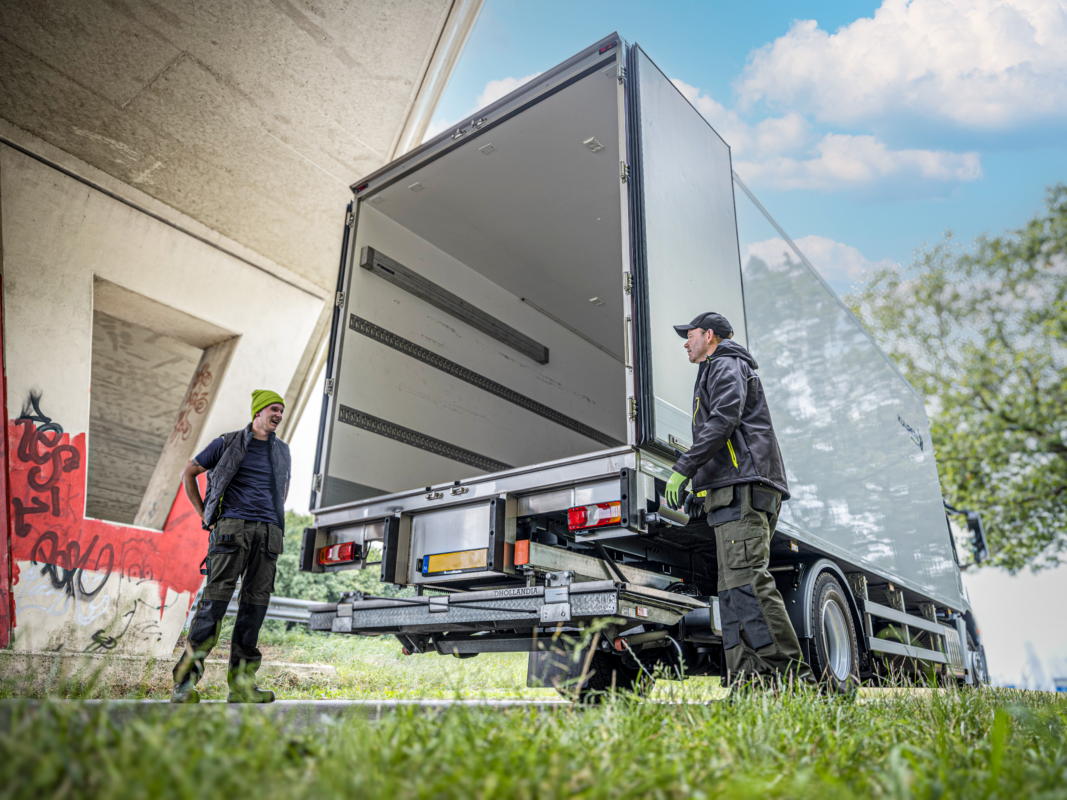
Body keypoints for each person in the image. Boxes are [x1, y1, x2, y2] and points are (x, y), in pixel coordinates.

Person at [663, 312, 816, 690]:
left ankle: (796, 684)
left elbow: (724, 417)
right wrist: (701, 485)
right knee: (732, 594)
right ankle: (749, 688)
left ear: (710, 336)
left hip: (743, 489)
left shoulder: (727, 363)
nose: (686, 341)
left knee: (747, 584)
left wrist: (685, 467)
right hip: (732, 491)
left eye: (691, 335)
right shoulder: (718, 367)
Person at [171, 390, 291, 704]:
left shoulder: (282, 452)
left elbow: (283, 488)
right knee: (213, 607)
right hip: (230, 531)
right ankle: (184, 685)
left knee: (254, 610)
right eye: (273, 409)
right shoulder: (226, 443)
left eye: (281, 410)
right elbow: (190, 472)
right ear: (258, 412)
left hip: (267, 536)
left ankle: (242, 686)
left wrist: (274, 523)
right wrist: (204, 514)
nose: (278, 415)